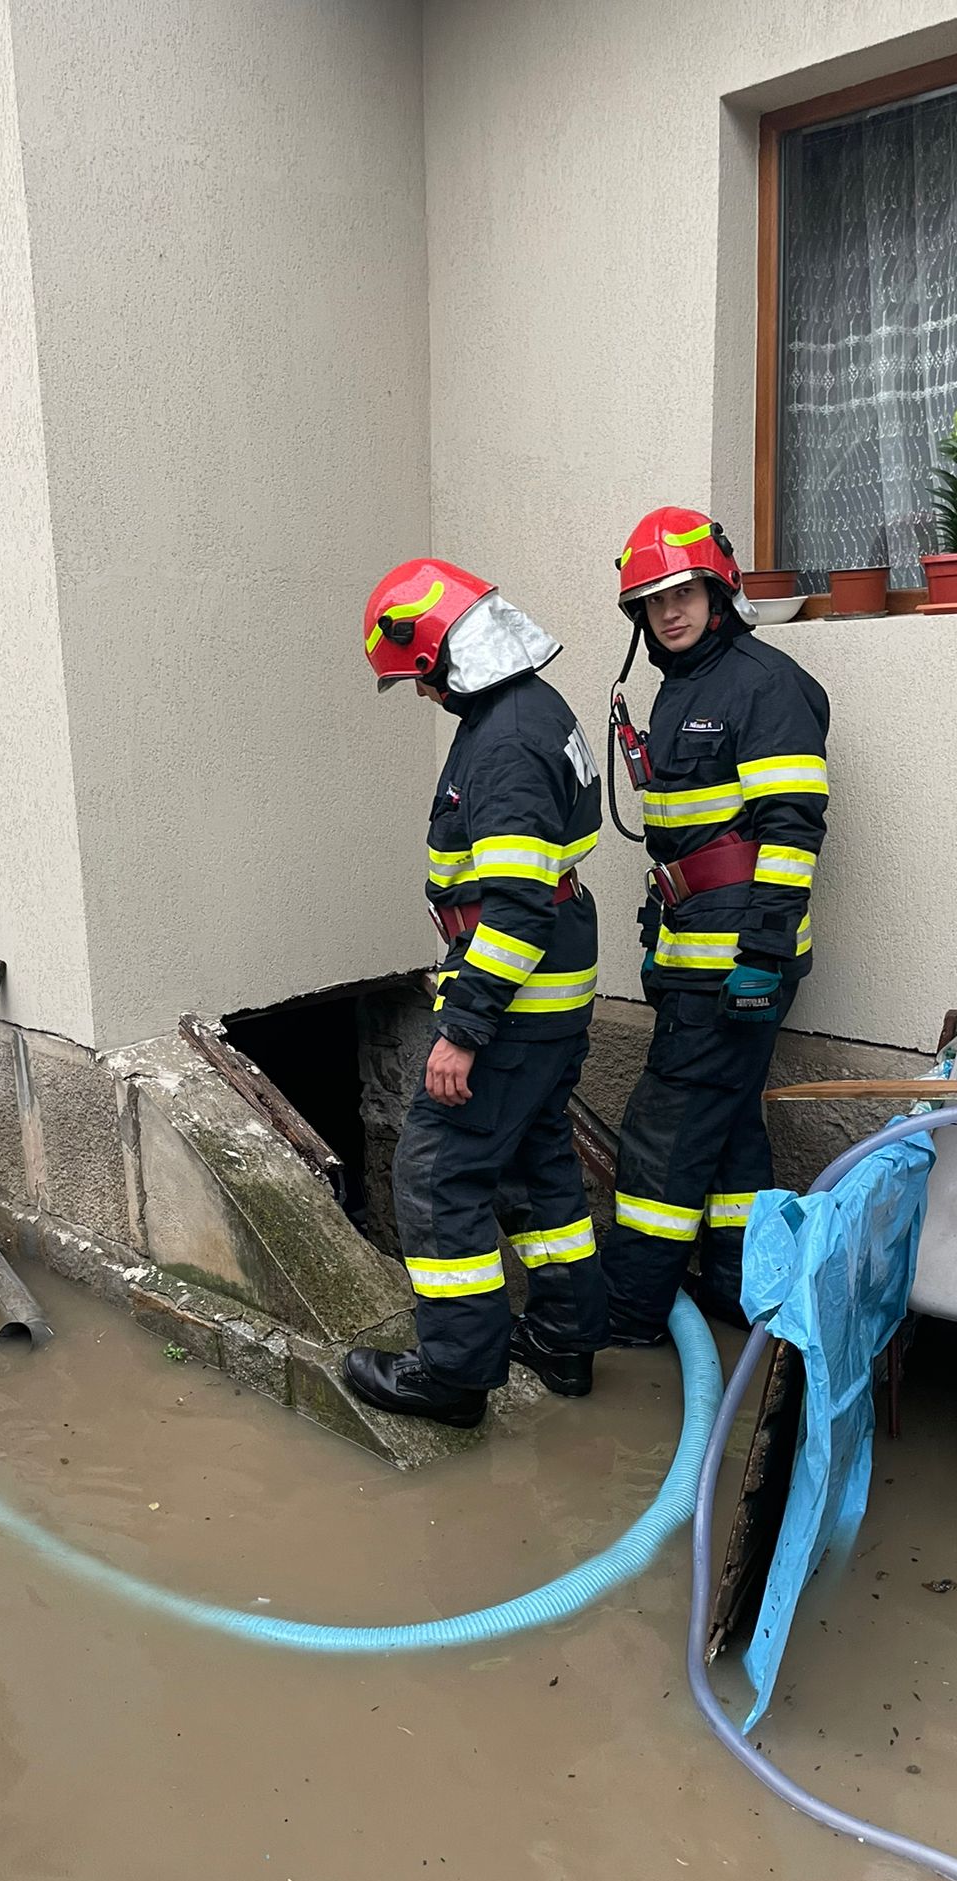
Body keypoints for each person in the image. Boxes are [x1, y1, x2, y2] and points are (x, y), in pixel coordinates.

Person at [344, 560, 611, 1427]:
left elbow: (518, 911)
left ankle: (455, 1376)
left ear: (439, 652)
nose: (421, 696)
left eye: (417, 678)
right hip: (554, 999)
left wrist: (462, 1030)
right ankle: (566, 1340)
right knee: (537, 1166)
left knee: (435, 1177)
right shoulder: (533, 708)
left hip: (513, 1011)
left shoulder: (501, 743)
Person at [601, 507, 830, 1342]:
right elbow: (688, 837)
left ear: (718, 587)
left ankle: (628, 1314)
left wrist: (764, 952)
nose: (670, 611)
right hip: (695, 952)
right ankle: (739, 1292)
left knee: (664, 1137)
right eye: (653, 600)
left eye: (684, 591)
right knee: (729, 1130)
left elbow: (791, 828)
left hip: (739, 960)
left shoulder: (764, 685)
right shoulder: (680, 689)